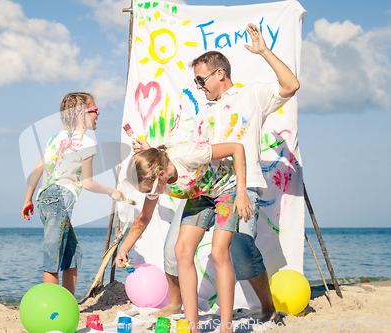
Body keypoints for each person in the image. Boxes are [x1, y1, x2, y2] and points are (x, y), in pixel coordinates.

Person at [133, 23, 300, 323]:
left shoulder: (252, 96)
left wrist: (263, 51)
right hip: (204, 189)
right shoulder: (205, 110)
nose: (198, 86)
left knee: (240, 251)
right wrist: (151, 150)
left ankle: (266, 306)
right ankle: (183, 314)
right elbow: (184, 152)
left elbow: (291, 85)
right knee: (177, 250)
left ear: (219, 74)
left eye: (201, 79)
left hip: (240, 186)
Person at [115, 140, 253, 333]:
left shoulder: (187, 155)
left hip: (227, 188)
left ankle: (226, 327)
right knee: (181, 250)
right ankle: (192, 327)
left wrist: (241, 192)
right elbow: (144, 217)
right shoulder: (157, 179)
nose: (150, 195)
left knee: (219, 251)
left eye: (149, 190)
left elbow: (237, 148)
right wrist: (124, 248)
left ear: (161, 175)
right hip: (201, 195)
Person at [21, 92, 126, 295]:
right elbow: (87, 183)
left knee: (72, 253)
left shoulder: (54, 138)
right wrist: (112, 191)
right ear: (81, 114)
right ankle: (52, 306)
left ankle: (67, 302)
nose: (98, 113)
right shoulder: (87, 143)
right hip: (60, 199)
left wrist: (27, 199)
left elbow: (37, 169)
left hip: (45, 200)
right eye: (95, 109)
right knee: (53, 255)